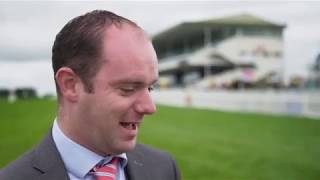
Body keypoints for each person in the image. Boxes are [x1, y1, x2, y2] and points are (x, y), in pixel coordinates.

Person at [0, 10, 180, 180]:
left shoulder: (164, 168)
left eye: (150, 88)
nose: (150, 107)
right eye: (128, 88)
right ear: (70, 84)